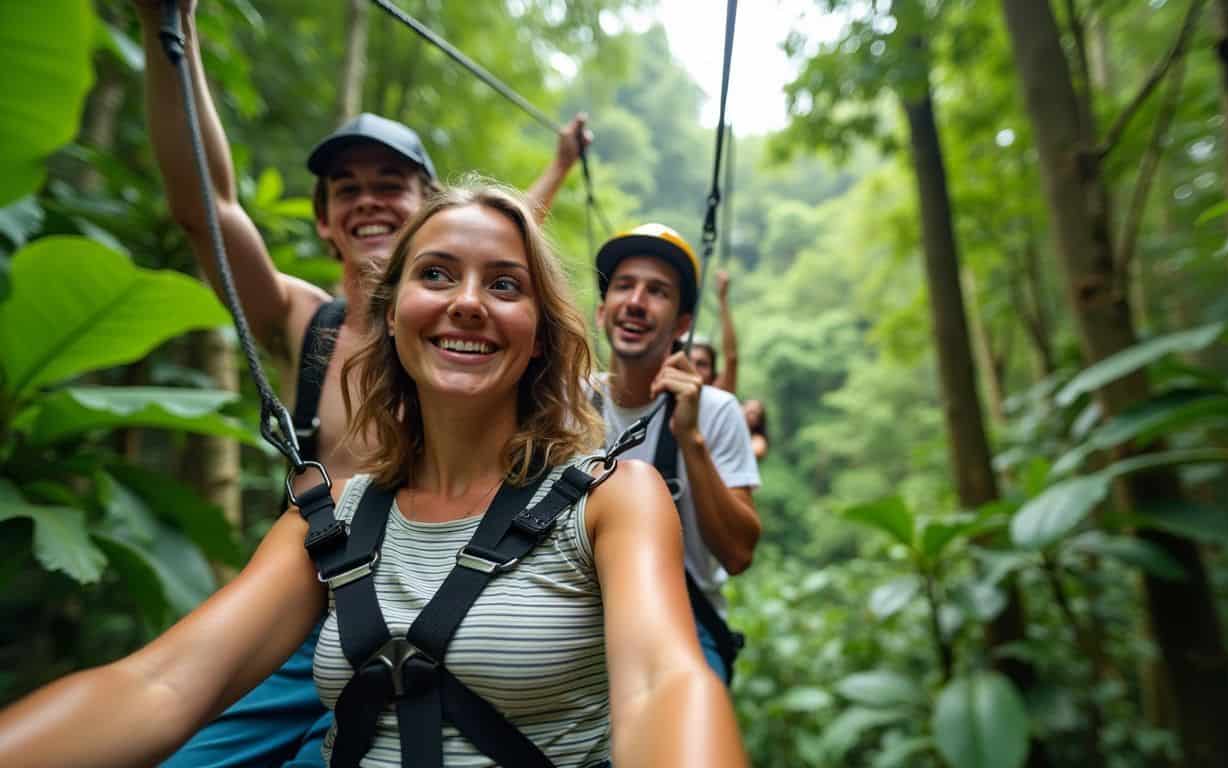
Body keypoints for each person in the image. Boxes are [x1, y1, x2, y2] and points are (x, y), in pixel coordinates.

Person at [0, 184, 748, 768]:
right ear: (391, 316)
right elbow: (159, 685)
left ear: (541, 335)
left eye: (506, 286)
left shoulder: (611, 499)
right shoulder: (330, 520)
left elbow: (659, 687)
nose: (466, 302)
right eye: (436, 274)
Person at [132, 2, 591, 764]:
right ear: (324, 222)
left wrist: (559, 166)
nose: (369, 200)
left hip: (462, 610)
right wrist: (165, 26)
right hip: (308, 611)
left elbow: (512, 244)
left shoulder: (466, 334)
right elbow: (204, 210)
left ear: (427, 211)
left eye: (392, 184)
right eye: (346, 189)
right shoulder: (303, 321)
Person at [591, 224, 762, 684]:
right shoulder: (566, 405)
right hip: (581, 615)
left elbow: (739, 554)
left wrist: (690, 437)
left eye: (657, 291)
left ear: (682, 325)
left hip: (683, 621)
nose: (636, 301)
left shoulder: (715, 410)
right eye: (624, 286)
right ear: (601, 312)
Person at [687, 271, 738, 393]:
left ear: (713, 376)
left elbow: (731, 358)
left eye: (702, 364)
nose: (693, 369)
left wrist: (723, 299)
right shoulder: (661, 396)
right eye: (688, 361)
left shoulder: (717, 400)